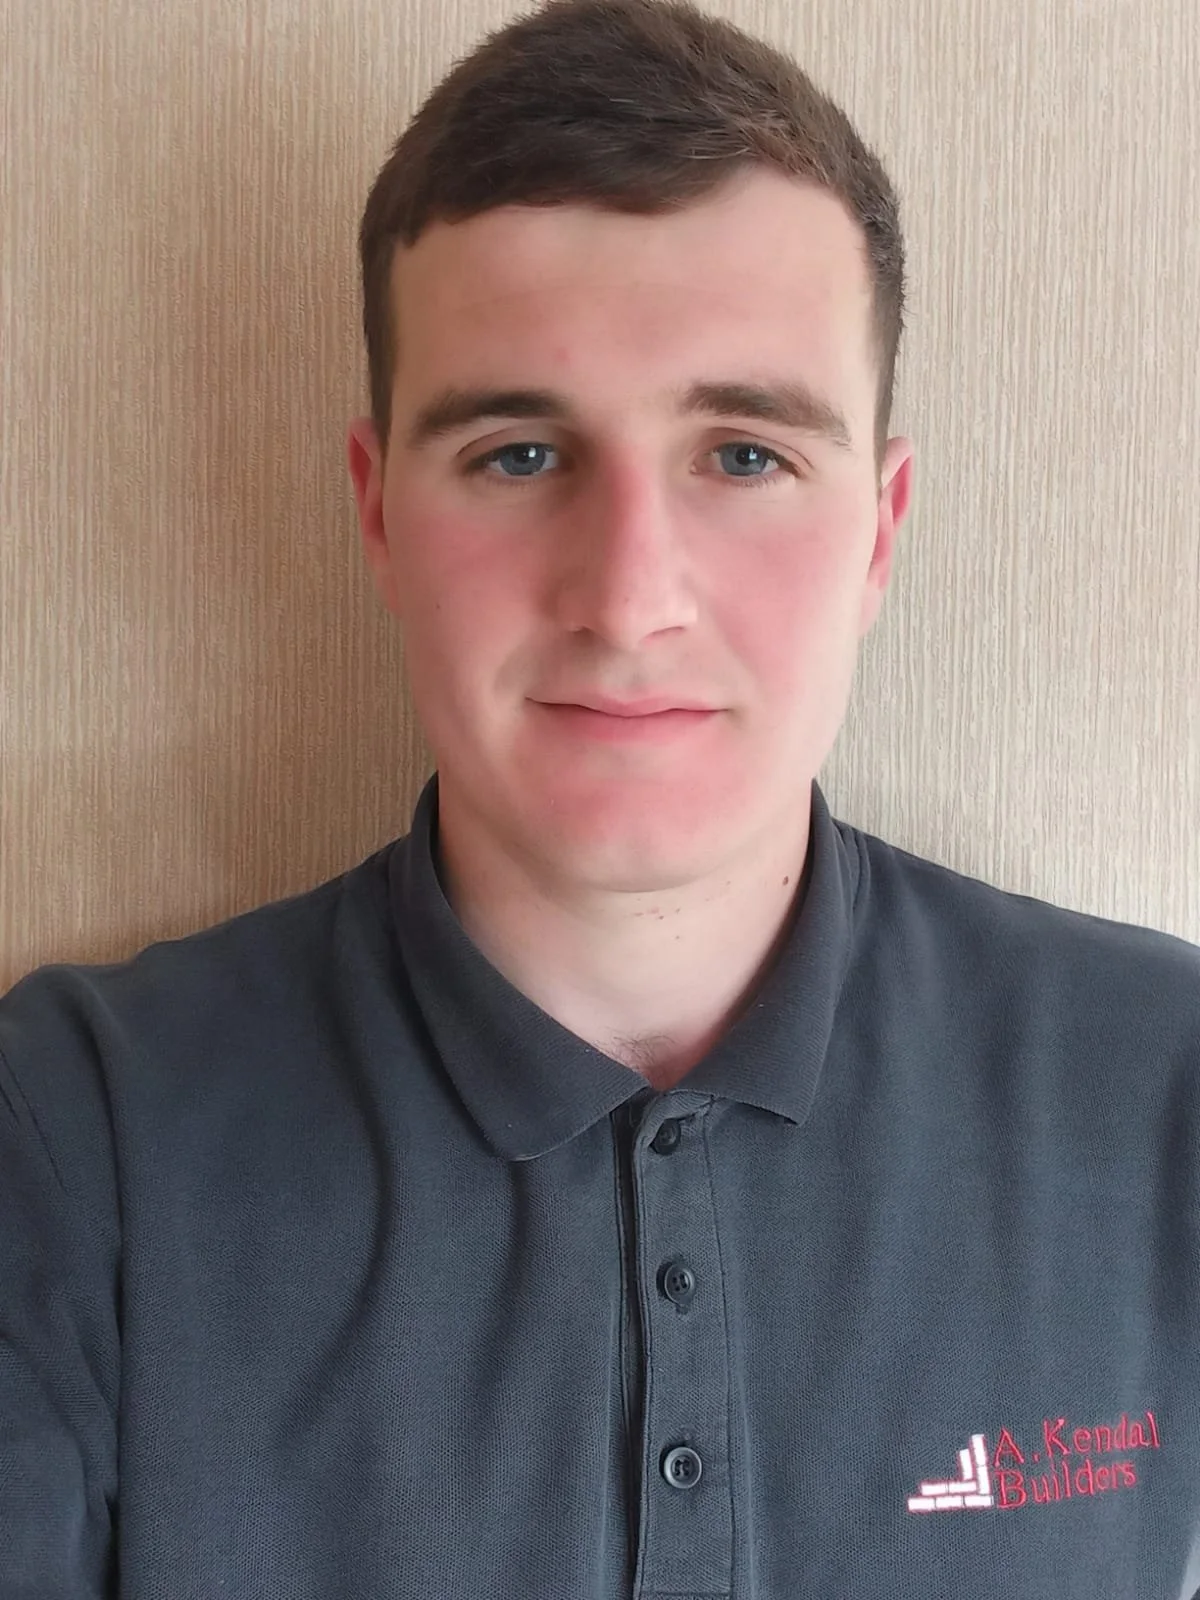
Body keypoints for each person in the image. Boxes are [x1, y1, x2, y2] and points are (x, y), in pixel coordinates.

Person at [2, 0, 1198, 1593]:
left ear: (882, 531)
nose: (629, 600)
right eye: (516, 454)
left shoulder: (1164, 1090)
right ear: (377, 514)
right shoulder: (73, 1137)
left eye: (747, 455)